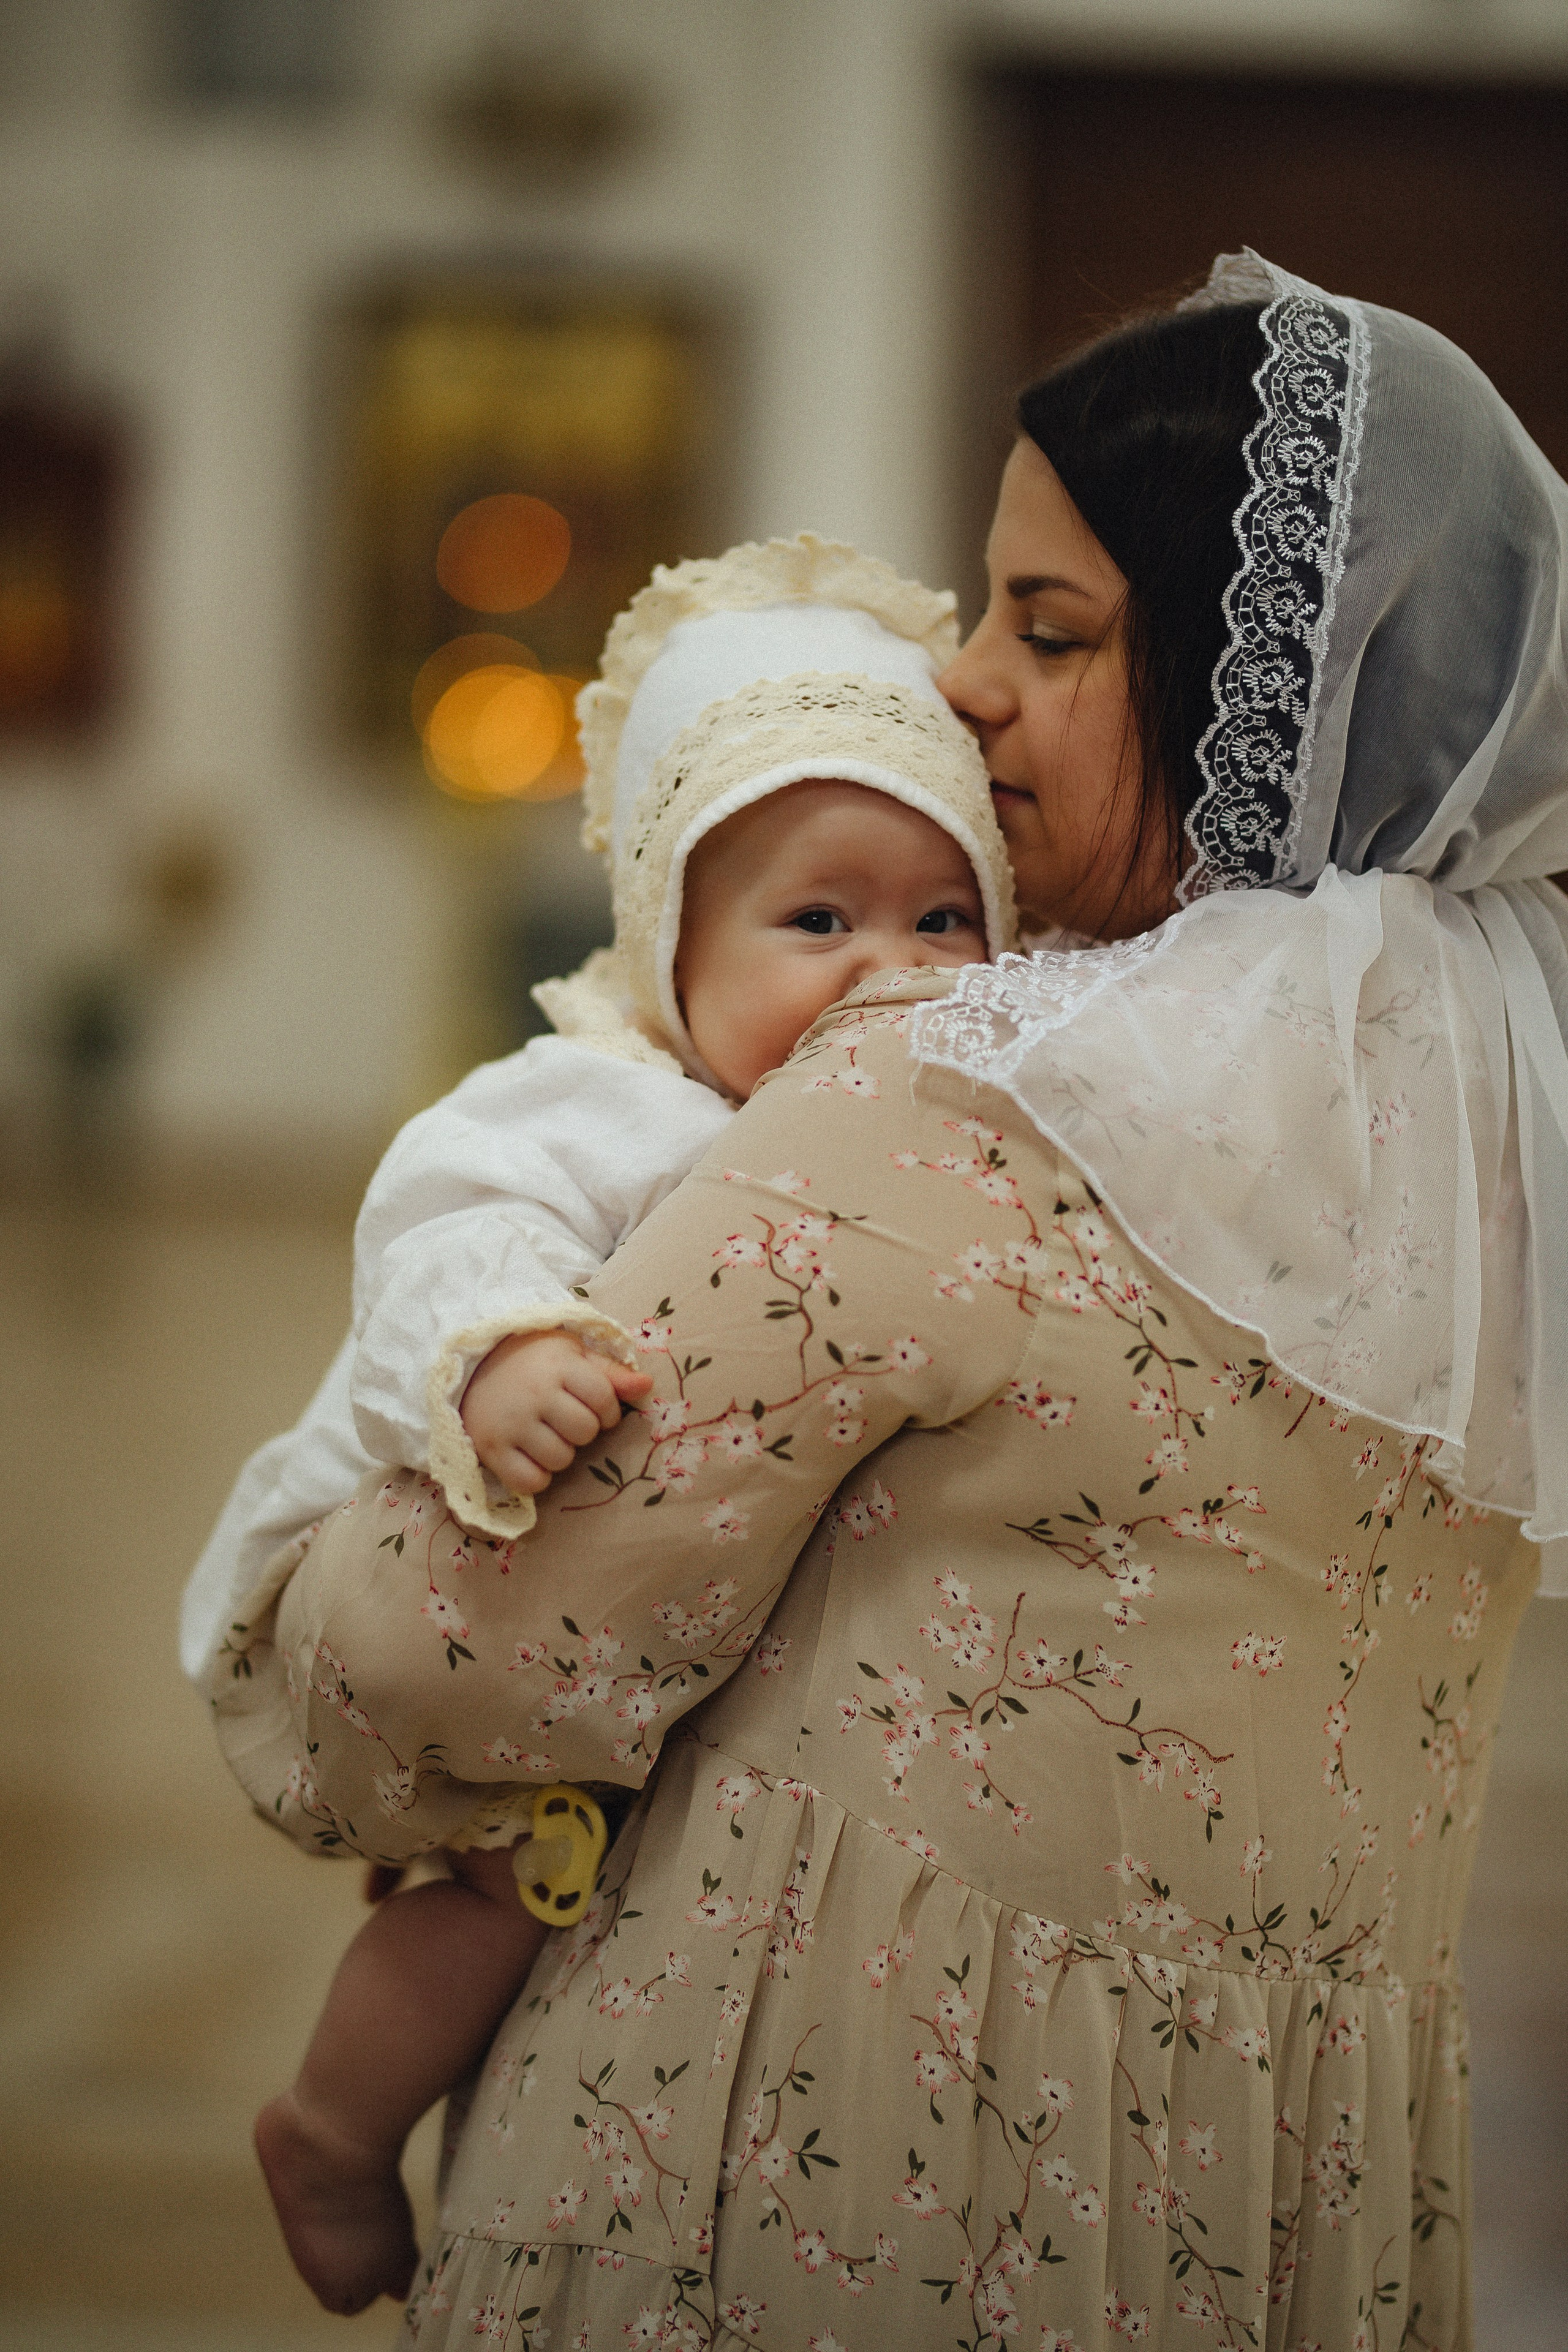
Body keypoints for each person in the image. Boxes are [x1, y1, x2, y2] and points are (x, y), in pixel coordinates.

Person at [209, 254, 1568, 2350]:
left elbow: (435, 1661)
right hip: (1280, 2190)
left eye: (1053, 629)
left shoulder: (961, 1093)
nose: (962, 681)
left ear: (1266, 688)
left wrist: (285, 1625)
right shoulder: (1503, 1161)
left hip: (835, 2146)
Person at [198, 535, 1016, 2316]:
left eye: (943, 919)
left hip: (672, 1662)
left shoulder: (928, 1124)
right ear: (673, 948)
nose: (889, 970)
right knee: (497, 1902)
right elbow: (447, 1219)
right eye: (819, 922)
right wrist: (497, 1351)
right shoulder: (603, 1098)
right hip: (449, 1547)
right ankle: (332, 2128)